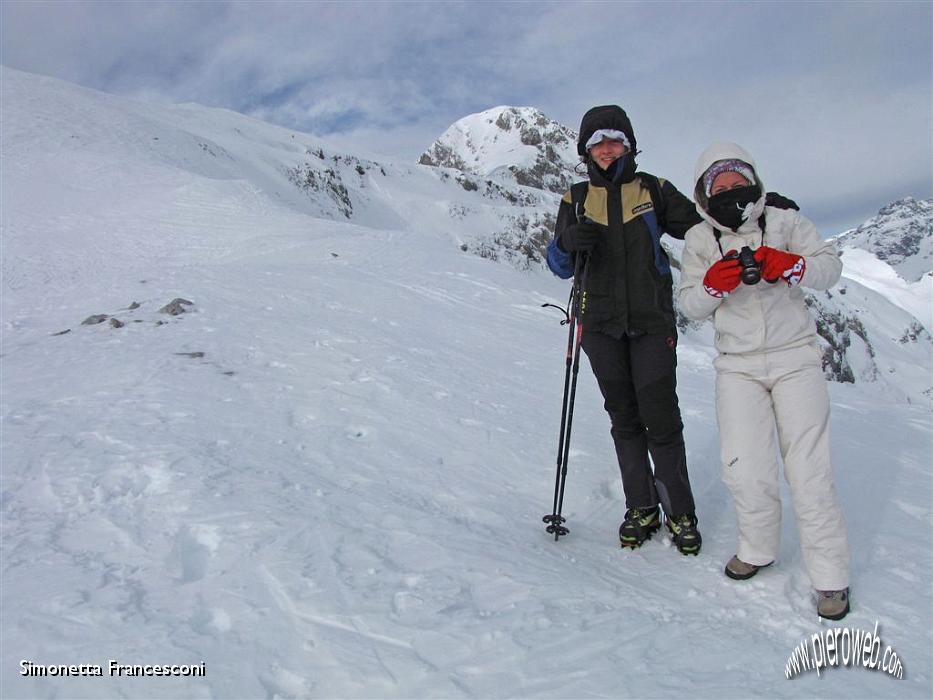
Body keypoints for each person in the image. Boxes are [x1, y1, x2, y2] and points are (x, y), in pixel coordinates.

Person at [677, 141, 851, 620]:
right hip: (736, 364)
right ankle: (757, 549)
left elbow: (829, 266)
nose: (731, 189)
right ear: (704, 193)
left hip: (795, 356)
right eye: (720, 184)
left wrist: (790, 265)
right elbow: (688, 304)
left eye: (738, 180)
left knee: (809, 469)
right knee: (744, 466)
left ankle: (831, 577)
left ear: (753, 180)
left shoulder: (785, 220)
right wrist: (714, 284)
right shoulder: (698, 239)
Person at [545, 105, 702, 555]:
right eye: (598, 142)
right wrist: (566, 243)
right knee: (625, 420)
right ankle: (641, 507)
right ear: (586, 151)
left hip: (652, 324)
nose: (607, 149)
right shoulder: (575, 200)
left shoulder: (653, 189)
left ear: (628, 145)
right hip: (599, 326)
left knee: (662, 419)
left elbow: (701, 230)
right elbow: (558, 265)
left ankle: (679, 510)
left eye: (615, 140)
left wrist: (756, 210)